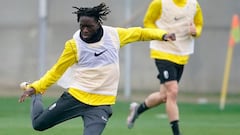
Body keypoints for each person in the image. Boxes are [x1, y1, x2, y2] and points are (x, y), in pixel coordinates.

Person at [18, 2, 176, 135]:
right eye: (82, 26)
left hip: (100, 105)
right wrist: (37, 87)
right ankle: (36, 94)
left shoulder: (114, 35)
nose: (85, 30)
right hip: (75, 98)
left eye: (89, 26)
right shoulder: (74, 45)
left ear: (98, 24)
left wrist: (162, 35)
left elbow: (140, 33)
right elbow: (56, 71)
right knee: (38, 124)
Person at [126, 0, 204, 135]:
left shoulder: (193, 4)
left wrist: (195, 31)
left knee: (164, 96)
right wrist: (162, 34)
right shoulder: (159, 3)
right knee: (173, 91)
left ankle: (137, 110)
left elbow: (199, 24)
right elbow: (148, 22)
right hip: (162, 51)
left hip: (182, 54)